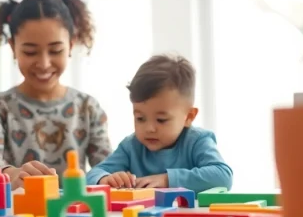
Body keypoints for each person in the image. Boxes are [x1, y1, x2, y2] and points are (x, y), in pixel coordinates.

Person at [0, 0, 113, 190]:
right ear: (13, 47)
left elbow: (107, 167)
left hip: (76, 214)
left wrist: (111, 177)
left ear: (71, 45)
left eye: (55, 50)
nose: (44, 63)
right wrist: (11, 174)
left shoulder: (88, 107)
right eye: (30, 52)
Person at [85, 54, 233, 193]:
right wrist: (104, 179)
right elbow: (90, 176)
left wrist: (167, 179)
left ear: (188, 116)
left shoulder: (197, 141)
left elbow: (223, 176)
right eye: (140, 118)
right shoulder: (130, 147)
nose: (149, 128)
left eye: (161, 120)